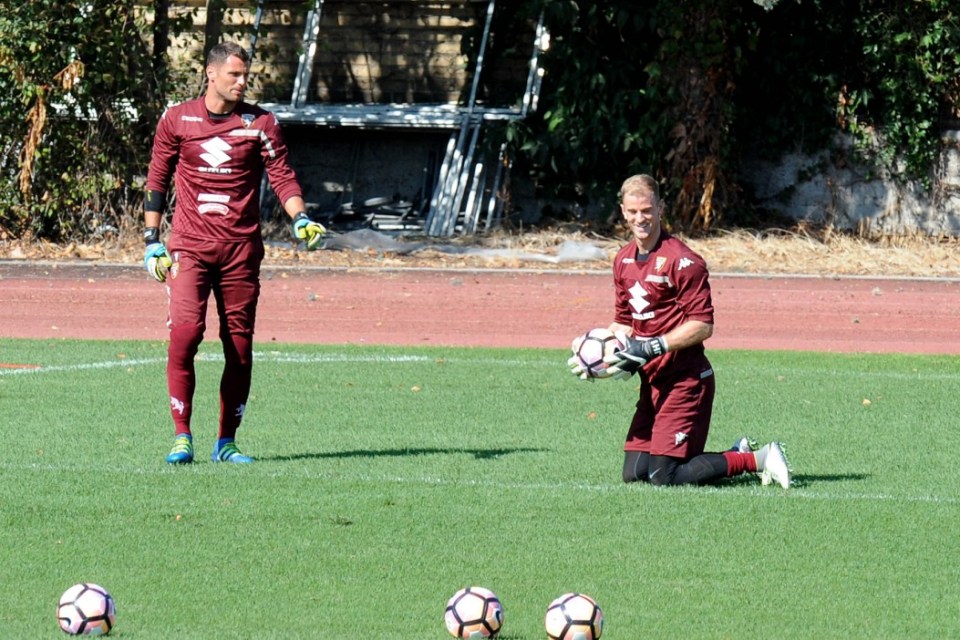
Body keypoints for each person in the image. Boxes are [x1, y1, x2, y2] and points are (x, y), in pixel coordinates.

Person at [143, 41, 326, 464]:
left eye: (246, 76)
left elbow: (283, 177)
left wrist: (300, 218)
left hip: (241, 251)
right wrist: (152, 241)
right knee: (185, 335)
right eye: (235, 75)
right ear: (211, 74)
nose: (243, 82)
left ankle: (226, 441)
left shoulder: (261, 123)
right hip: (188, 247)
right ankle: (182, 435)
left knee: (239, 347)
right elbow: (157, 180)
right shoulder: (177, 119)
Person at [569, 174, 792, 488]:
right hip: (652, 382)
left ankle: (760, 457)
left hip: (686, 380)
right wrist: (599, 355)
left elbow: (703, 325)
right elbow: (623, 322)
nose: (640, 218)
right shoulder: (622, 260)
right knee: (634, 474)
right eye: (632, 211)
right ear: (622, 211)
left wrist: (651, 347)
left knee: (664, 477)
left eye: (646, 210)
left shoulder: (683, 260)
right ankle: (735, 451)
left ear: (660, 208)